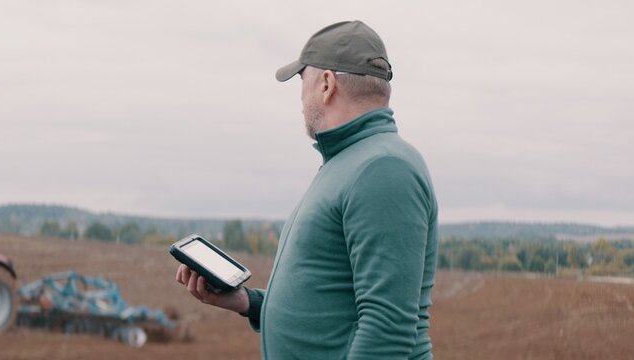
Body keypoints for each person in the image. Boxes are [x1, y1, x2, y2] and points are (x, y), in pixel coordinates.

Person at [175, 20, 438, 359]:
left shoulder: (383, 169)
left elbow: (387, 329)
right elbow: (330, 300)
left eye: (303, 81)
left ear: (327, 84)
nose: (300, 98)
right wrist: (247, 302)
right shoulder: (349, 163)